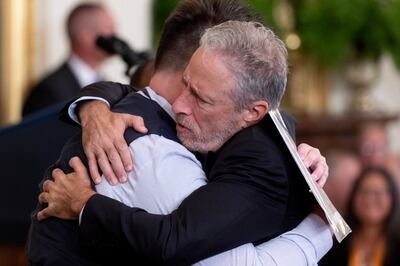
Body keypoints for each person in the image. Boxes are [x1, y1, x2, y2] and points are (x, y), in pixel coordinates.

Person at [28, 1, 330, 265]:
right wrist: (323, 225)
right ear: (194, 60)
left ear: (253, 112)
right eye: (187, 85)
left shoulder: (144, 118)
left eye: (201, 97)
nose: (180, 104)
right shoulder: (153, 154)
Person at [22, 3, 115, 116]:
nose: (115, 36)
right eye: (109, 29)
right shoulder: (49, 91)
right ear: (86, 36)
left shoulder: (105, 84)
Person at [320, 167, 400, 266]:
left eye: (378, 193)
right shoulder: (336, 242)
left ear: (393, 198)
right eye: (364, 192)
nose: (370, 199)